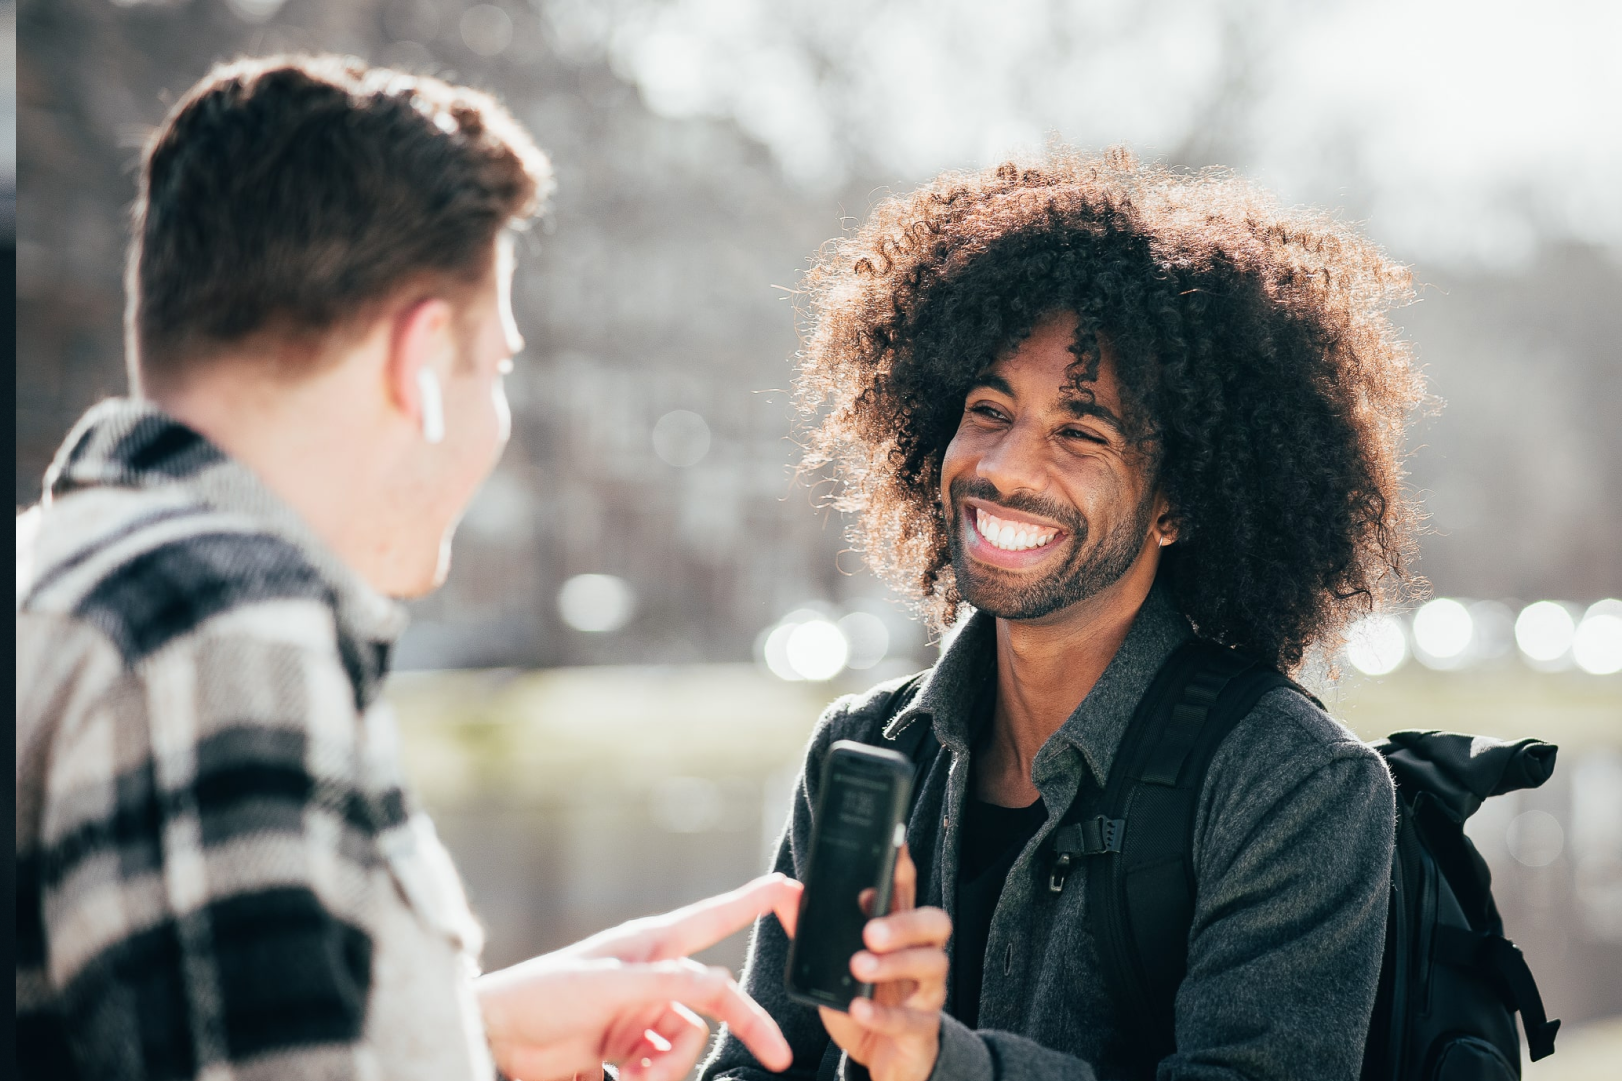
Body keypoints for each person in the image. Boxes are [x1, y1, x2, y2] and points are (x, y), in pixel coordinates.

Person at [14, 55, 802, 1081]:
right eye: (498, 366)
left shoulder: (64, 575)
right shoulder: (216, 628)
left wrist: (464, 1036)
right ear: (421, 364)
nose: (496, 417)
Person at [703, 150, 1427, 1081]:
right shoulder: (866, 750)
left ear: (1179, 504)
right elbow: (761, 1066)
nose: (1005, 466)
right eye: (988, 409)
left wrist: (935, 1062)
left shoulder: (1295, 785)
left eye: (1079, 432)